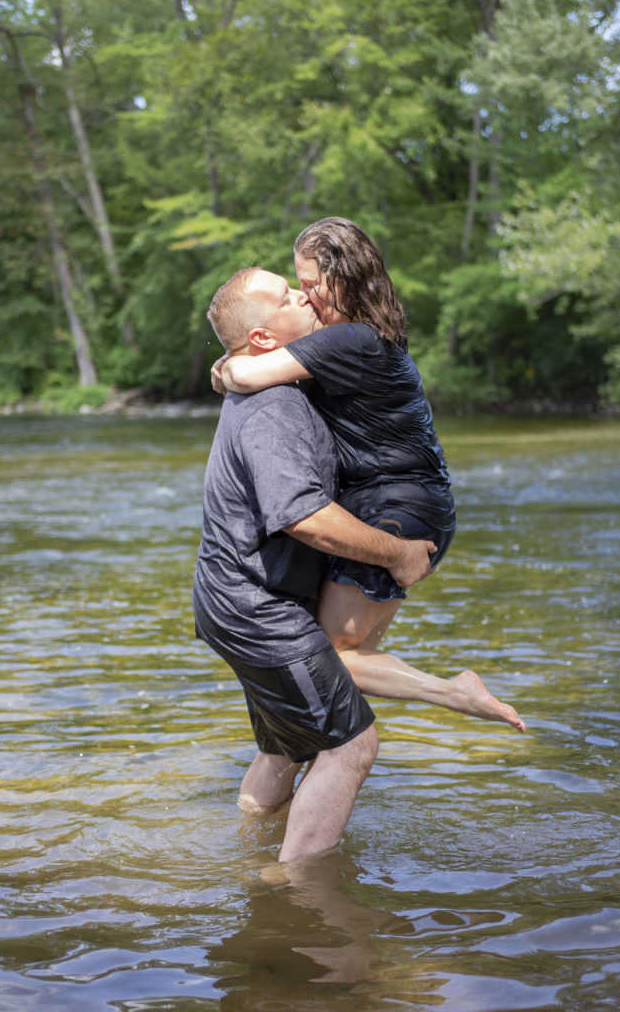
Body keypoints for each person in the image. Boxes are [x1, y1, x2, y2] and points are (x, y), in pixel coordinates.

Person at [214, 218, 525, 734]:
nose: (306, 297)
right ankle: (317, 765)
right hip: (416, 504)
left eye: (310, 283)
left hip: (394, 509)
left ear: (341, 279)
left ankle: (455, 692)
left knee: (330, 656)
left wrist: (228, 365)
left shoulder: (349, 340)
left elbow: (246, 373)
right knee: (356, 661)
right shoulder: (363, 334)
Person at [193, 267, 436, 864]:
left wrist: (227, 370)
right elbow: (303, 517)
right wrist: (400, 551)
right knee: (353, 745)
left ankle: (245, 853)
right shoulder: (276, 407)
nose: (305, 295)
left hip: (235, 599)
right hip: (259, 608)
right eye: (287, 296)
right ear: (263, 339)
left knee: (286, 748)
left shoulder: (279, 382)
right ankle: (299, 896)